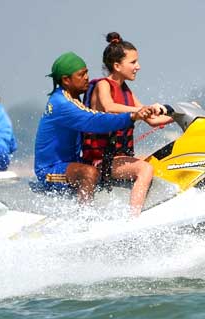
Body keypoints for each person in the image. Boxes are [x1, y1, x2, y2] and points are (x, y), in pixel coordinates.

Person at [34, 51, 151, 206]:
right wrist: (131, 116)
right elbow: (94, 121)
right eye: (81, 75)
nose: (86, 78)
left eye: (87, 72)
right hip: (50, 170)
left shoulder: (72, 96)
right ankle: (85, 220)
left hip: (74, 163)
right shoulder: (62, 104)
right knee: (89, 173)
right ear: (66, 80)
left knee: (144, 159)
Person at [82, 32, 174, 216]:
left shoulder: (126, 91)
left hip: (118, 158)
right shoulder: (103, 85)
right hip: (103, 161)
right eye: (133, 62)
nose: (138, 67)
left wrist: (179, 115)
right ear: (117, 66)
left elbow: (152, 120)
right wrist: (139, 111)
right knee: (145, 169)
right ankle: (134, 220)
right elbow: (109, 107)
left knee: (159, 162)